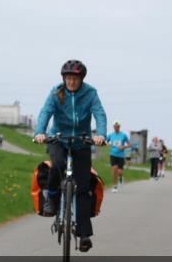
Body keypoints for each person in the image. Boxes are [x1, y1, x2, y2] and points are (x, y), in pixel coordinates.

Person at [33, 60, 107, 252]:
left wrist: (100, 135)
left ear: (81, 79)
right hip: (59, 138)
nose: (71, 82)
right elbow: (45, 112)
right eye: (68, 78)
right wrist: (40, 132)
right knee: (56, 165)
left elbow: (99, 114)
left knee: (82, 187)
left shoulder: (90, 93)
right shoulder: (57, 92)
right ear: (63, 78)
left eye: (74, 78)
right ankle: (52, 198)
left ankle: (84, 235)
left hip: (81, 141)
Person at [106, 122, 131, 191]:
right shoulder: (111, 135)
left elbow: (129, 144)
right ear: (113, 127)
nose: (116, 127)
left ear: (119, 127)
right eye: (115, 126)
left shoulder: (123, 135)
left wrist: (123, 147)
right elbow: (106, 141)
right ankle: (115, 186)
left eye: (118, 126)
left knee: (119, 171)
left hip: (120, 155)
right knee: (114, 170)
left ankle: (121, 177)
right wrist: (108, 144)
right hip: (113, 154)